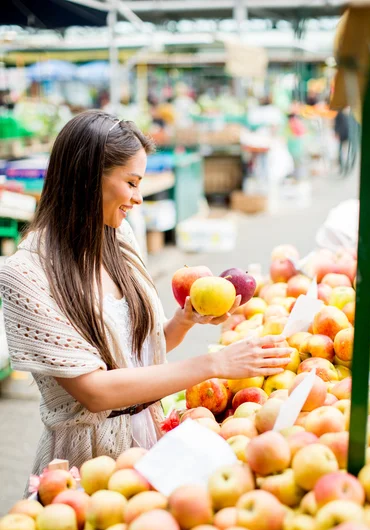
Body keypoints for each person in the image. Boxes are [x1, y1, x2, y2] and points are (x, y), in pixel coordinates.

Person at [0, 110, 291, 482]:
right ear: (88, 178)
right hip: (87, 467)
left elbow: (136, 360)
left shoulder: (118, 239)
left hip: (153, 443)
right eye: (132, 182)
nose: (138, 198)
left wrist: (185, 321)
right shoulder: (26, 274)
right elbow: (95, 391)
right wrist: (215, 365)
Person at [334, 108, 350, 174]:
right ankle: (342, 165)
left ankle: (343, 165)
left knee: (342, 151)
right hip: (343, 135)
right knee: (342, 151)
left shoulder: (341, 114)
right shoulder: (341, 114)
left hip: (343, 135)